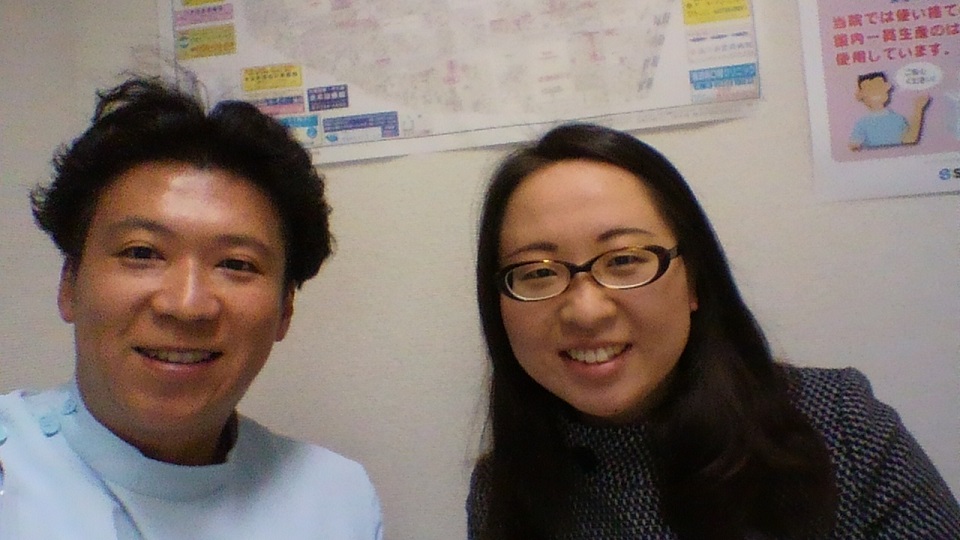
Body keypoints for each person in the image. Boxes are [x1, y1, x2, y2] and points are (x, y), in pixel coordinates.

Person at [466, 123, 960, 539]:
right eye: (537, 272)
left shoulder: (839, 426)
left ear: (695, 281)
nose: (586, 311)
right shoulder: (505, 488)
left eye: (624, 260)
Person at [0, 75, 383, 539]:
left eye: (236, 264)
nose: (186, 305)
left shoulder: (334, 499)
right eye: (142, 253)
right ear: (69, 284)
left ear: (285, 309)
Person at [848, 71, 929, 151]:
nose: (875, 92)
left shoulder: (898, 119)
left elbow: (909, 139)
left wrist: (918, 109)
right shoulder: (863, 123)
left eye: (878, 87)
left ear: (886, 87)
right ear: (860, 95)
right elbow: (854, 145)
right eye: (869, 89)